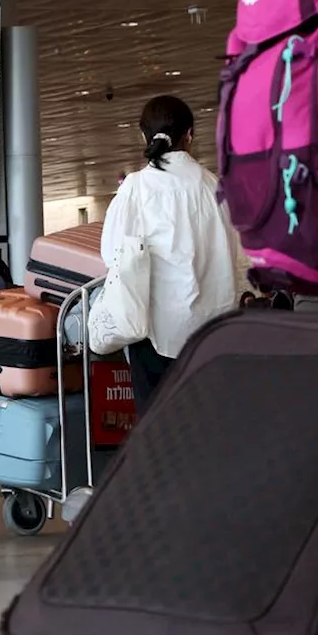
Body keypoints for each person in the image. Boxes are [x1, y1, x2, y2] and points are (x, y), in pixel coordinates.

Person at [99, 95, 250, 413]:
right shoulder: (217, 190)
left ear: (143, 136)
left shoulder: (136, 189)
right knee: (209, 429)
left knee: (157, 435)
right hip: (213, 335)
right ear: (190, 135)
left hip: (153, 336)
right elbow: (241, 260)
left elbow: (112, 254)